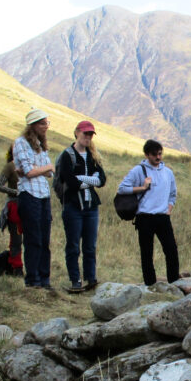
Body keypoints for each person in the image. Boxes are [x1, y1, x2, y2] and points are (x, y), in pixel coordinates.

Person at [117, 139, 179, 286]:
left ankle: (174, 282)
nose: (158, 157)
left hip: (162, 217)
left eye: (160, 154)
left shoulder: (168, 172)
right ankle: (150, 284)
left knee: (171, 250)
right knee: (147, 253)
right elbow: (122, 188)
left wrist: (169, 209)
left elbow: (173, 194)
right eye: (154, 155)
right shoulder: (138, 170)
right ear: (146, 155)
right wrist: (142, 188)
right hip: (144, 217)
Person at [57, 120, 106, 292]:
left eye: (91, 134)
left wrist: (82, 178)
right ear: (77, 132)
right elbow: (70, 182)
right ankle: (75, 280)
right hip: (73, 206)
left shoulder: (93, 156)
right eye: (85, 133)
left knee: (90, 246)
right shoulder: (67, 155)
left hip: (91, 205)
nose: (88, 137)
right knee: (73, 245)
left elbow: (102, 180)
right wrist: (91, 180)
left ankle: (91, 279)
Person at [13, 109, 54, 289]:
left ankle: (44, 279)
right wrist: (42, 168)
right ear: (34, 125)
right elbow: (29, 171)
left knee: (44, 238)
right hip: (29, 194)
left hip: (43, 194)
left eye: (47, 123)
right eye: (43, 123)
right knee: (33, 238)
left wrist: (41, 168)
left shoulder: (41, 145)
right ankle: (33, 279)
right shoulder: (21, 143)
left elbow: (51, 172)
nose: (46, 126)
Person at [0, 144, 23, 276]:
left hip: (28, 205)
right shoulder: (10, 166)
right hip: (14, 206)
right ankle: (16, 267)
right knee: (16, 240)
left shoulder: (29, 165)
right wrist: (15, 192)